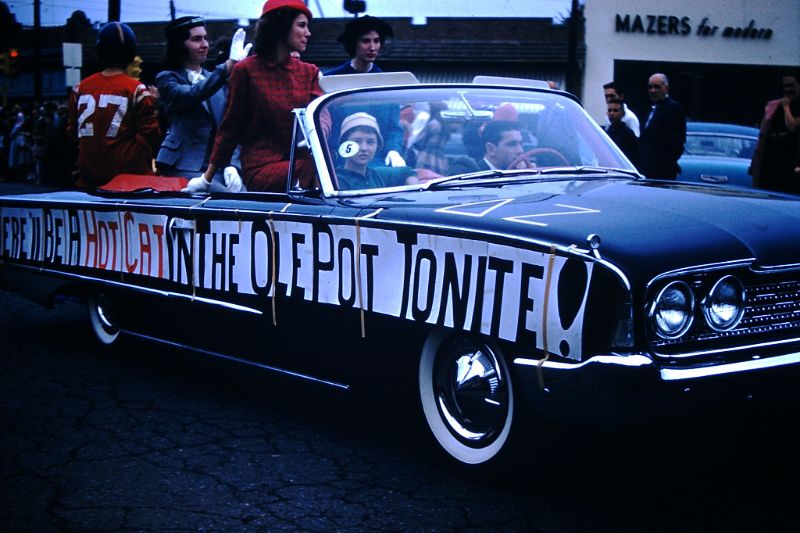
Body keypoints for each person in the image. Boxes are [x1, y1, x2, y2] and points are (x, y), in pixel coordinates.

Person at [190, 0, 322, 193]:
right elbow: (230, 128)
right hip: (262, 168)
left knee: (331, 170)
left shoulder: (308, 72)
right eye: (301, 25)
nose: (308, 33)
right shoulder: (247, 71)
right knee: (315, 170)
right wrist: (207, 179)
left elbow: (321, 114)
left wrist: (318, 131)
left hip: (303, 163)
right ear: (280, 26)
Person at [155, 16, 250, 192]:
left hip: (216, 167)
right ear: (180, 45)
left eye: (205, 38)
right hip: (182, 165)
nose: (205, 44)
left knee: (244, 197)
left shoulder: (214, 78)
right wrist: (227, 67)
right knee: (224, 199)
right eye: (196, 39)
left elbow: (230, 126)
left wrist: (233, 166)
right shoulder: (167, 78)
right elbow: (191, 94)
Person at [67, 22, 160, 188]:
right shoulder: (136, 89)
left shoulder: (80, 88)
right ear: (131, 53)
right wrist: (155, 105)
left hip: (89, 179)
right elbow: (152, 135)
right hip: (128, 181)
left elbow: (72, 133)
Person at [324, 15, 405, 168]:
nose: (372, 47)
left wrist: (393, 151)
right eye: (366, 41)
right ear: (353, 43)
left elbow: (394, 128)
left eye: (377, 40)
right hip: (339, 162)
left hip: (378, 162)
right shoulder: (331, 81)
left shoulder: (387, 84)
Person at [334, 112, 416, 190]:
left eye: (370, 142)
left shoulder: (378, 175)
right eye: (357, 141)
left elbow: (408, 172)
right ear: (344, 145)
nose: (364, 148)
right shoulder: (336, 181)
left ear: (377, 146)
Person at [749, 74, 800, 194]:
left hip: (790, 157)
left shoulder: (793, 104)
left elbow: (792, 127)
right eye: (785, 86)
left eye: (791, 85)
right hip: (771, 156)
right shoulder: (775, 104)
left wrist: (786, 108)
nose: (787, 89)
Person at [638, 73, 686, 180]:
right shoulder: (651, 109)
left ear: (666, 88)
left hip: (662, 173)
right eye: (650, 87)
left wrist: (663, 164)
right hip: (647, 170)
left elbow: (677, 142)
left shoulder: (673, 108)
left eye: (657, 86)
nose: (653, 90)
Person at [604, 97, 640, 170]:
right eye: (609, 110)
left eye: (615, 110)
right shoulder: (607, 132)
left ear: (622, 114)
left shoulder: (628, 134)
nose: (612, 113)